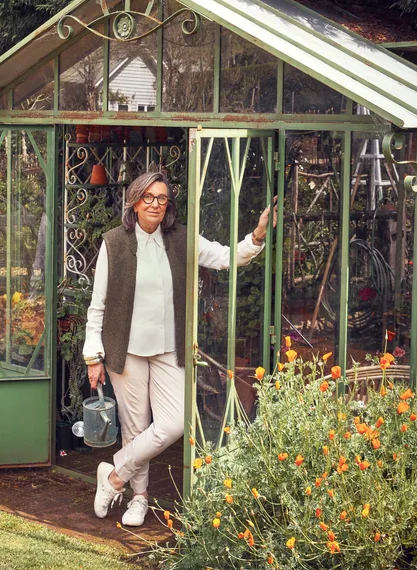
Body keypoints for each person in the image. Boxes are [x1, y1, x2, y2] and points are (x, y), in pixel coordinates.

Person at [82, 170, 273, 527]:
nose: (155, 204)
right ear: (135, 202)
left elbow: (226, 257)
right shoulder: (114, 242)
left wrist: (257, 236)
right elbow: (98, 305)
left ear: (169, 204)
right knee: (135, 428)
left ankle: (112, 477)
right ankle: (138, 499)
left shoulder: (182, 238)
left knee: (172, 424)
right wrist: (94, 356)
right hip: (127, 350)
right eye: (148, 197)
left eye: (162, 198)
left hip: (171, 348)